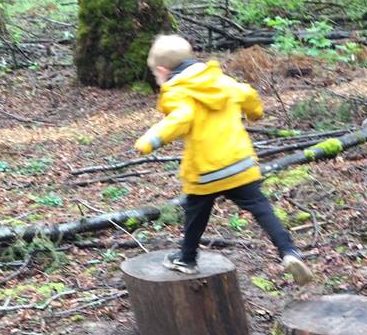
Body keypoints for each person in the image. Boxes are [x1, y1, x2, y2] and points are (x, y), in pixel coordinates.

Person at [134, 34, 313, 285]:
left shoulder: (179, 93)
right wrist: (255, 113)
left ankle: (187, 259)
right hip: (240, 165)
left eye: (156, 76)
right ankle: (289, 251)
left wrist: (150, 140)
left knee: (196, 213)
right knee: (261, 208)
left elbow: (181, 118)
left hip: (206, 172)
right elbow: (247, 94)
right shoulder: (222, 81)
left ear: (163, 71)